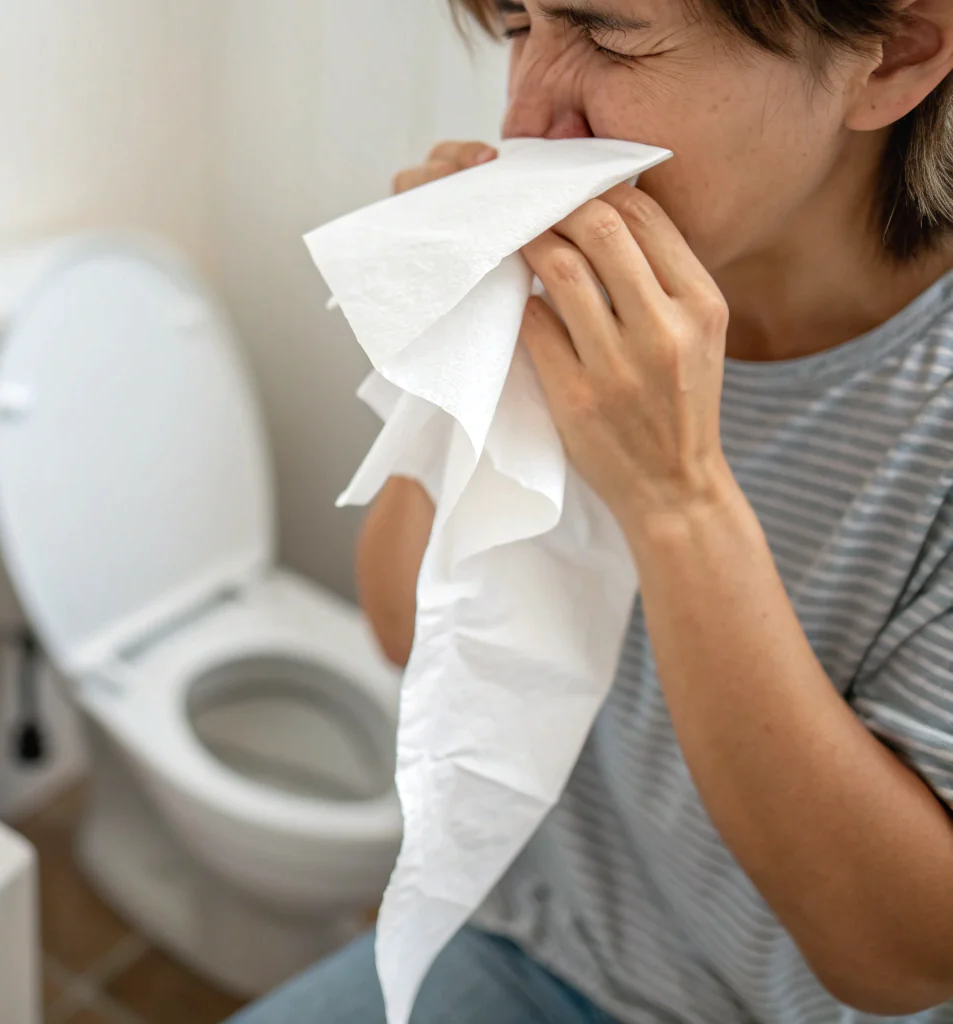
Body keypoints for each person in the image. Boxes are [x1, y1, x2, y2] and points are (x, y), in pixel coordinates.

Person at [229, 1, 953, 1022]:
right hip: (527, 935)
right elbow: (403, 623)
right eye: (521, 26)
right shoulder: (587, 309)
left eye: (609, 33)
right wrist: (453, 354)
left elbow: (901, 960)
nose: (527, 121)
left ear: (897, 52)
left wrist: (677, 497)